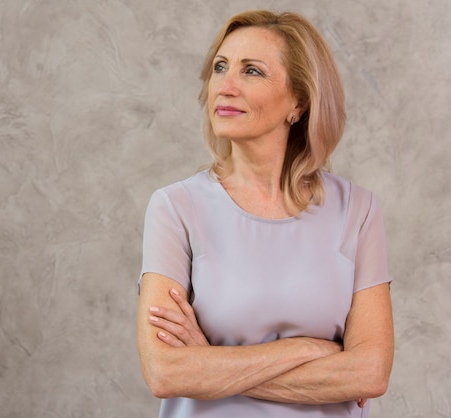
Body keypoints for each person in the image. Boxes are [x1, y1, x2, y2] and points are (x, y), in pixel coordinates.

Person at [137, 9, 394, 418]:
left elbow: (370, 373)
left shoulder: (357, 211)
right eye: (221, 67)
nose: (225, 86)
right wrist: (309, 351)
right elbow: (165, 372)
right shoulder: (175, 208)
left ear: (299, 101)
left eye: (251, 71)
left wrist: (212, 366)